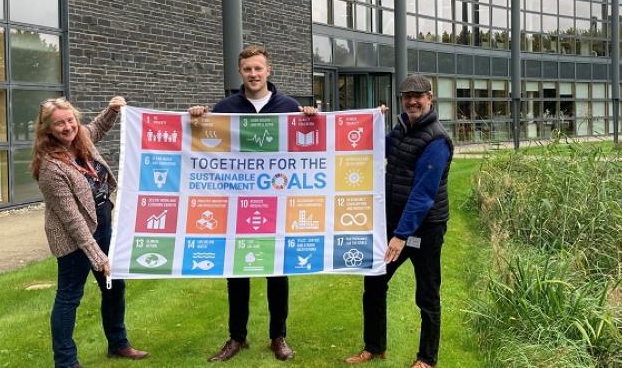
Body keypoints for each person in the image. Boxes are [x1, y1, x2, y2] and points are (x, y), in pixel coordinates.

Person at [189, 45, 316, 362]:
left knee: (277, 271)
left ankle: (279, 336)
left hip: (278, 203)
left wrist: (314, 120)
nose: (254, 74)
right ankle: (237, 338)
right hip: (236, 203)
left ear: (268, 70)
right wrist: (194, 120)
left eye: (258, 68)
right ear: (240, 72)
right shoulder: (225, 107)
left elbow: (310, 148)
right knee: (236, 271)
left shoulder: (288, 107)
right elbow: (205, 143)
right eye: (248, 69)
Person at [345, 74, 453, 368]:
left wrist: (401, 234)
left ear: (430, 98)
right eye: (407, 96)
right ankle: (374, 347)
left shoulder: (437, 140)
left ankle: (426, 359)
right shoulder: (402, 128)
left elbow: (423, 194)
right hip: (395, 224)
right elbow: (375, 146)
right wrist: (371, 121)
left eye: (418, 96)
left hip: (425, 228)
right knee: (375, 283)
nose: (412, 101)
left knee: (427, 295)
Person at [32, 96, 149, 368]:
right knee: (69, 297)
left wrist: (113, 109)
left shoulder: (80, 138)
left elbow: (97, 128)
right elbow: (73, 222)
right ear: (47, 129)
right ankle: (66, 361)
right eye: (59, 124)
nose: (67, 127)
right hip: (74, 239)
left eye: (70, 120)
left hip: (104, 224)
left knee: (114, 287)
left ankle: (118, 344)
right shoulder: (50, 167)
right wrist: (99, 258)